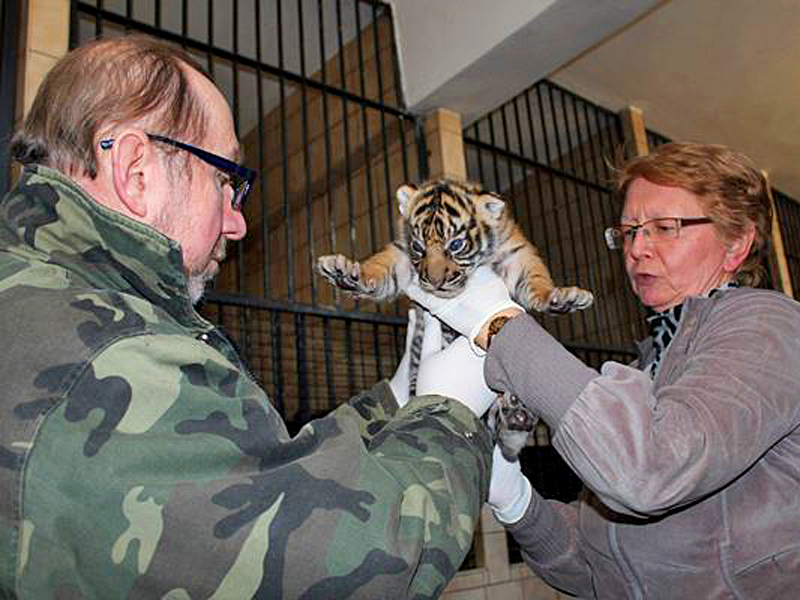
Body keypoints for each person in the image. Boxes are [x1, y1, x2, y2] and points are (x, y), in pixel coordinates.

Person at [0, 35, 500, 599]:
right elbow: (361, 561)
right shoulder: (112, 355)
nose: (238, 224)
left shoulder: (44, 294)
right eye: (226, 180)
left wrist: (396, 401)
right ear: (137, 171)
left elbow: (262, 477)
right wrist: (451, 414)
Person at [408, 142, 800, 599]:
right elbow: (595, 569)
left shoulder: (770, 325)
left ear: (736, 243)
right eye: (629, 230)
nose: (636, 248)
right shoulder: (649, 363)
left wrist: (500, 324)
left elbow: (649, 472)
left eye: (664, 228)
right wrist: (514, 498)